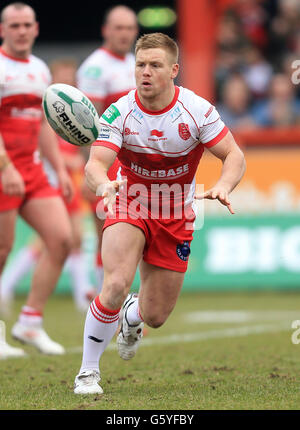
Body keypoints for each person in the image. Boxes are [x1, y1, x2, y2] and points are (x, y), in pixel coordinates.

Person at [73, 32, 246, 394]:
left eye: (155, 65)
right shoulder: (119, 112)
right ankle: (88, 372)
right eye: (140, 65)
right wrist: (103, 184)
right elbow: (95, 165)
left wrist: (224, 185)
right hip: (128, 200)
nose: (145, 72)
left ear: (174, 70)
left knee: (156, 316)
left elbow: (233, 155)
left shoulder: (196, 111)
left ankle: (132, 314)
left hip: (176, 212)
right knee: (115, 283)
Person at [0, 3, 74, 358]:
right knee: (2, 249)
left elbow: (45, 122)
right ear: (3, 30)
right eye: (14, 25)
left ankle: (29, 321)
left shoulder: (40, 69)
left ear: (36, 28)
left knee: (62, 239)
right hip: (3, 169)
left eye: (27, 24)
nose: (21, 30)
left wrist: (58, 168)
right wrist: (5, 166)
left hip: (31, 168)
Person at [0, 58, 96, 313]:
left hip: (66, 178)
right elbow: (36, 144)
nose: (67, 80)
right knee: (51, 239)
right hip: (46, 178)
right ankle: (8, 286)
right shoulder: (46, 106)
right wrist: (64, 161)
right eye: (62, 75)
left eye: (70, 76)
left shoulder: (72, 108)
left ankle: (81, 294)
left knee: (72, 237)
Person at [76, 5, 138, 292]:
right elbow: (84, 125)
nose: (125, 34)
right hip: (109, 161)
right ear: (106, 30)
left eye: (129, 28)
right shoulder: (94, 67)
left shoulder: (137, 63)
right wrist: (91, 171)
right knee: (110, 230)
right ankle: (107, 296)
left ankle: (110, 294)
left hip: (136, 161)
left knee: (127, 231)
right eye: (119, 28)